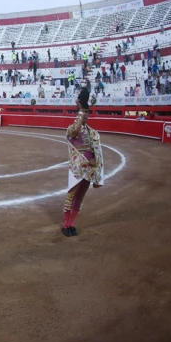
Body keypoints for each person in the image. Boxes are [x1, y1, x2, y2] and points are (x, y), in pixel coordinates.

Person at [62, 89, 104, 237]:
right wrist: (80, 111)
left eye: (87, 112)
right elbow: (74, 130)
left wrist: (95, 161)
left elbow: (96, 151)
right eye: (84, 112)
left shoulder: (92, 132)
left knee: (80, 197)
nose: (86, 114)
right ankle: (65, 225)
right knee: (71, 195)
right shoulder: (72, 129)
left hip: (90, 168)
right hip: (78, 167)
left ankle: (71, 224)